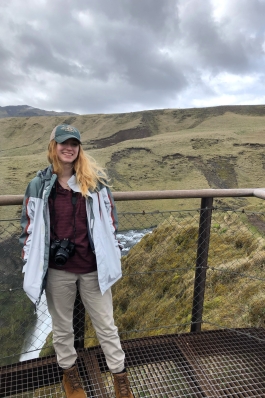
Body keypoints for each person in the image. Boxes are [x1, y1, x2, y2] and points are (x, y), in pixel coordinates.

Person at [20, 124, 134, 398]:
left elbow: (110, 221)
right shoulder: (38, 186)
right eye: (62, 143)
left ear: (79, 149)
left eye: (73, 143)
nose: (68, 148)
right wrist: (29, 262)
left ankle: (121, 379)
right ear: (53, 147)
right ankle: (71, 377)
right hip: (59, 271)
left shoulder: (95, 184)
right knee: (62, 328)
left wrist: (113, 252)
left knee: (106, 325)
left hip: (94, 268)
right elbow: (29, 227)